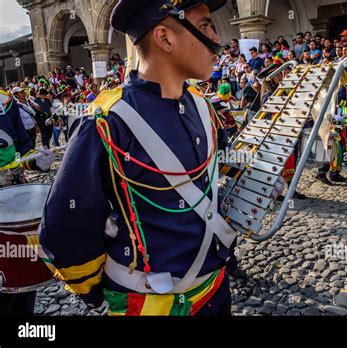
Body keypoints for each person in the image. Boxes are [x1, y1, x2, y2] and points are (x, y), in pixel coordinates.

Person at [39, 0, 285, 317]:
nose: (217, 37)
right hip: (149, 305)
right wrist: (93, 289)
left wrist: (251, 182)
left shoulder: (203, 107)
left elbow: (214, 170)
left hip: (215, 289)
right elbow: (64, 228)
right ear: (164, 37)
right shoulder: (106, 123)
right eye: (206, 25)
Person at [0, 89, 54, 315]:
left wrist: (37, 162)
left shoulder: (6, 100)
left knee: (20, 279)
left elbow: (24, 148)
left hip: (14, 195)